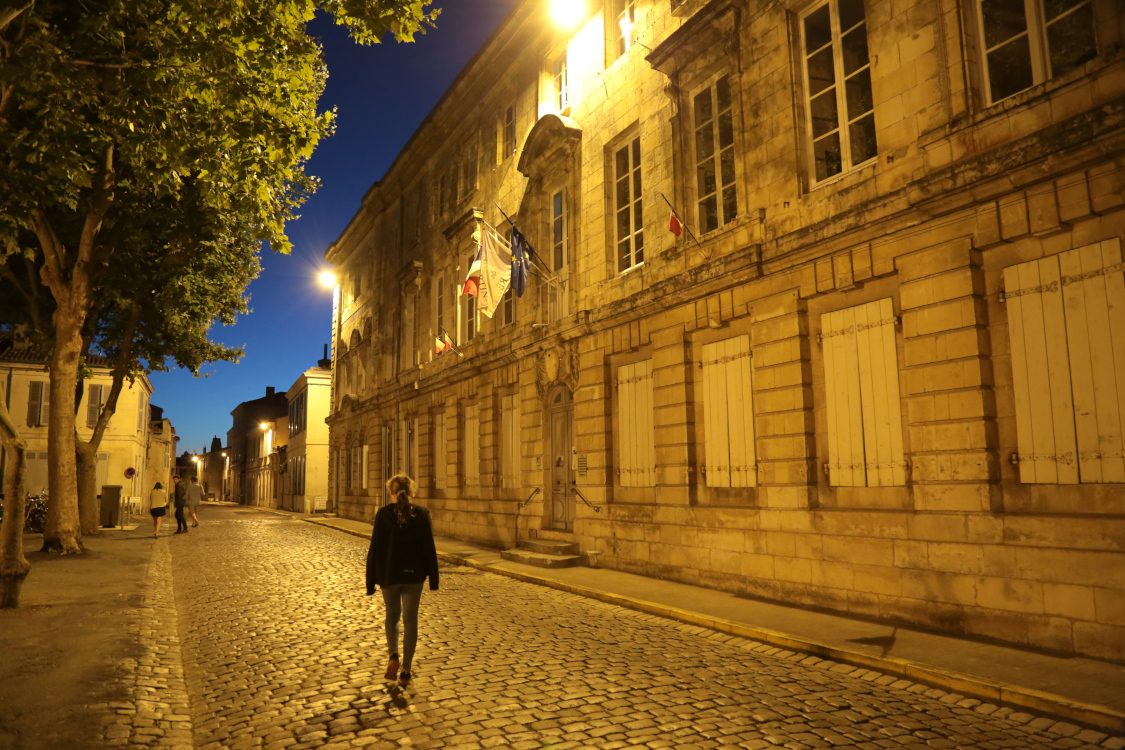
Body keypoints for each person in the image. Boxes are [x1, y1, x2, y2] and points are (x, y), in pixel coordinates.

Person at [366, 474, 439, 688]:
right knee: (410, 621)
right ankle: (406, 670)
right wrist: (433, 578)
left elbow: (375, 548)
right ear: (411, 492)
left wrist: (370, 581)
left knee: (392, 616)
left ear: (391, 493)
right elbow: (429, 547)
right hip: (414, 576)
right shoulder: (422, 514)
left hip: (389, 575)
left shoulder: (383, 515)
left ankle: (393, 655)